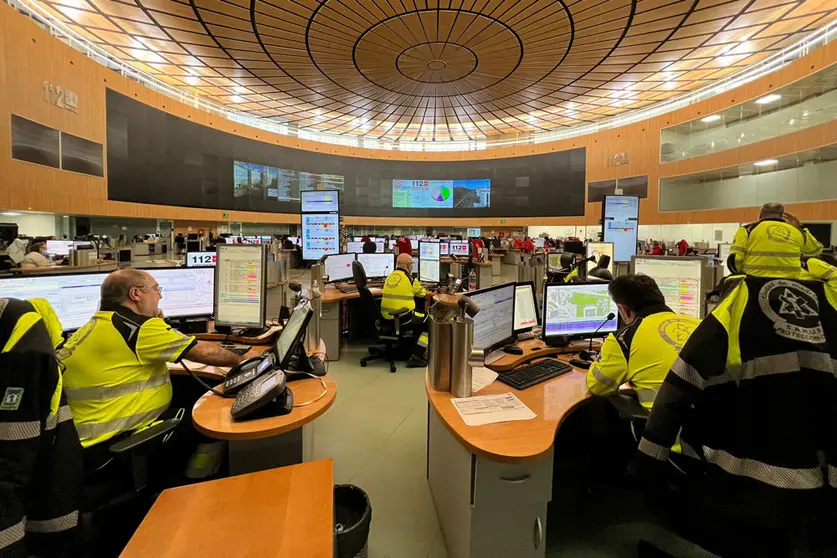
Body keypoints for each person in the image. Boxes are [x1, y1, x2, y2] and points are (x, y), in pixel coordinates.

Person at [632, 273, 837, 556]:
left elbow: (672, 398)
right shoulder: (829, 312)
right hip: (821, 489)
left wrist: (646, 467)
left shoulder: (729, 319)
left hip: (740, 484)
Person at [59, 269, 246, 452]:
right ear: (136, 294)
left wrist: (161, 327)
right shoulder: (139, 327)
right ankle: (199, 480)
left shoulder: (92, 326)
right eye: (157, 290)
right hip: (118, 439)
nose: (160, 297)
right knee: (212, 419)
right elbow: (205, 353)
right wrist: (243, 361)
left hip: (80, 441)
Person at [0, 298, 82, 557]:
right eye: (156, 290)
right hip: (56, 461)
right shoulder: (23, 327)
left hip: (47, 460)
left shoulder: (18, 329)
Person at [587, 274, 700, 410]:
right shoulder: (702, 325)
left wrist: (599, 362)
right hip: (722, 424)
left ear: (624, 309)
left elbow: (598, 386)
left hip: (668, 427)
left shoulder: (625, 337)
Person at [728, 202, 822, 278]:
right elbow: (815, 250)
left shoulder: (747, 230)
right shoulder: (796, 231)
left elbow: (735, 259)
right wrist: (800, 227)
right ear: (782, 215)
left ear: (760, 214)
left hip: (754, 282)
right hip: (791, 283)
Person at [380, 254, 428, 365]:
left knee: (419, 315)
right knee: (427, 320)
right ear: (408, 265)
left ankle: (408, 345)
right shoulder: (410, 279)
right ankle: (417, 355)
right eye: (411, 264)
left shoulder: (390, 276)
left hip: (385, 317)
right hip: (401, 317)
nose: (412, 267)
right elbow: (422, 294)